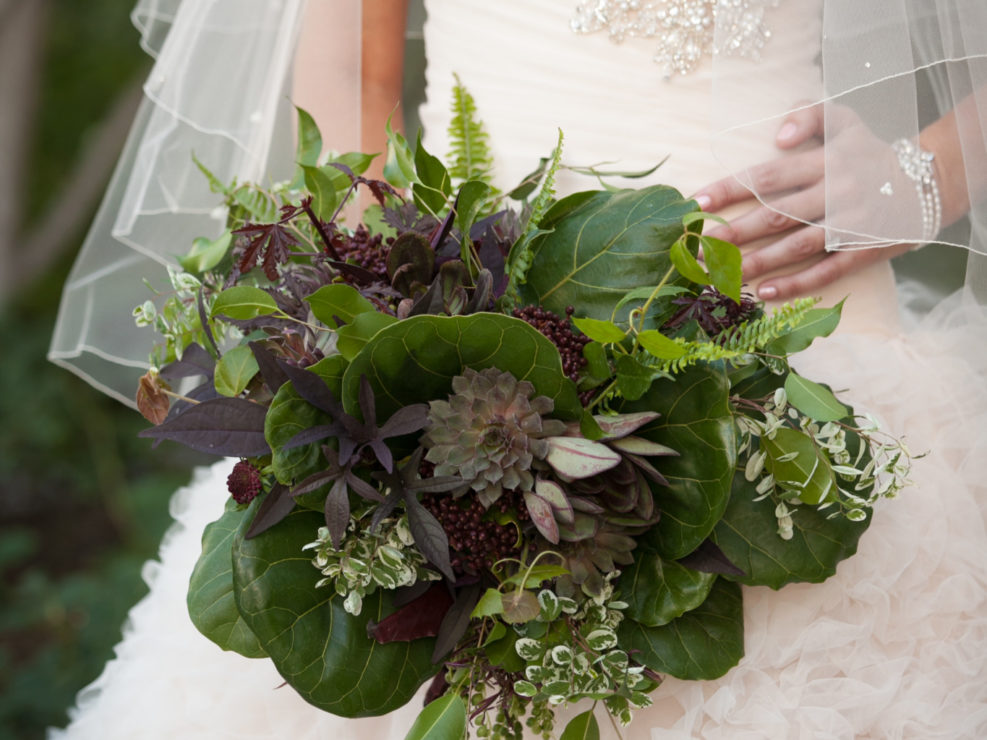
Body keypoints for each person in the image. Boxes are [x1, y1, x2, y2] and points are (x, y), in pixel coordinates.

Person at [49, 1, 986, 737]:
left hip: (804, 313)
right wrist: (382, 303)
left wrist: (930, 173)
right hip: (463, 315)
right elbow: (345, 69)